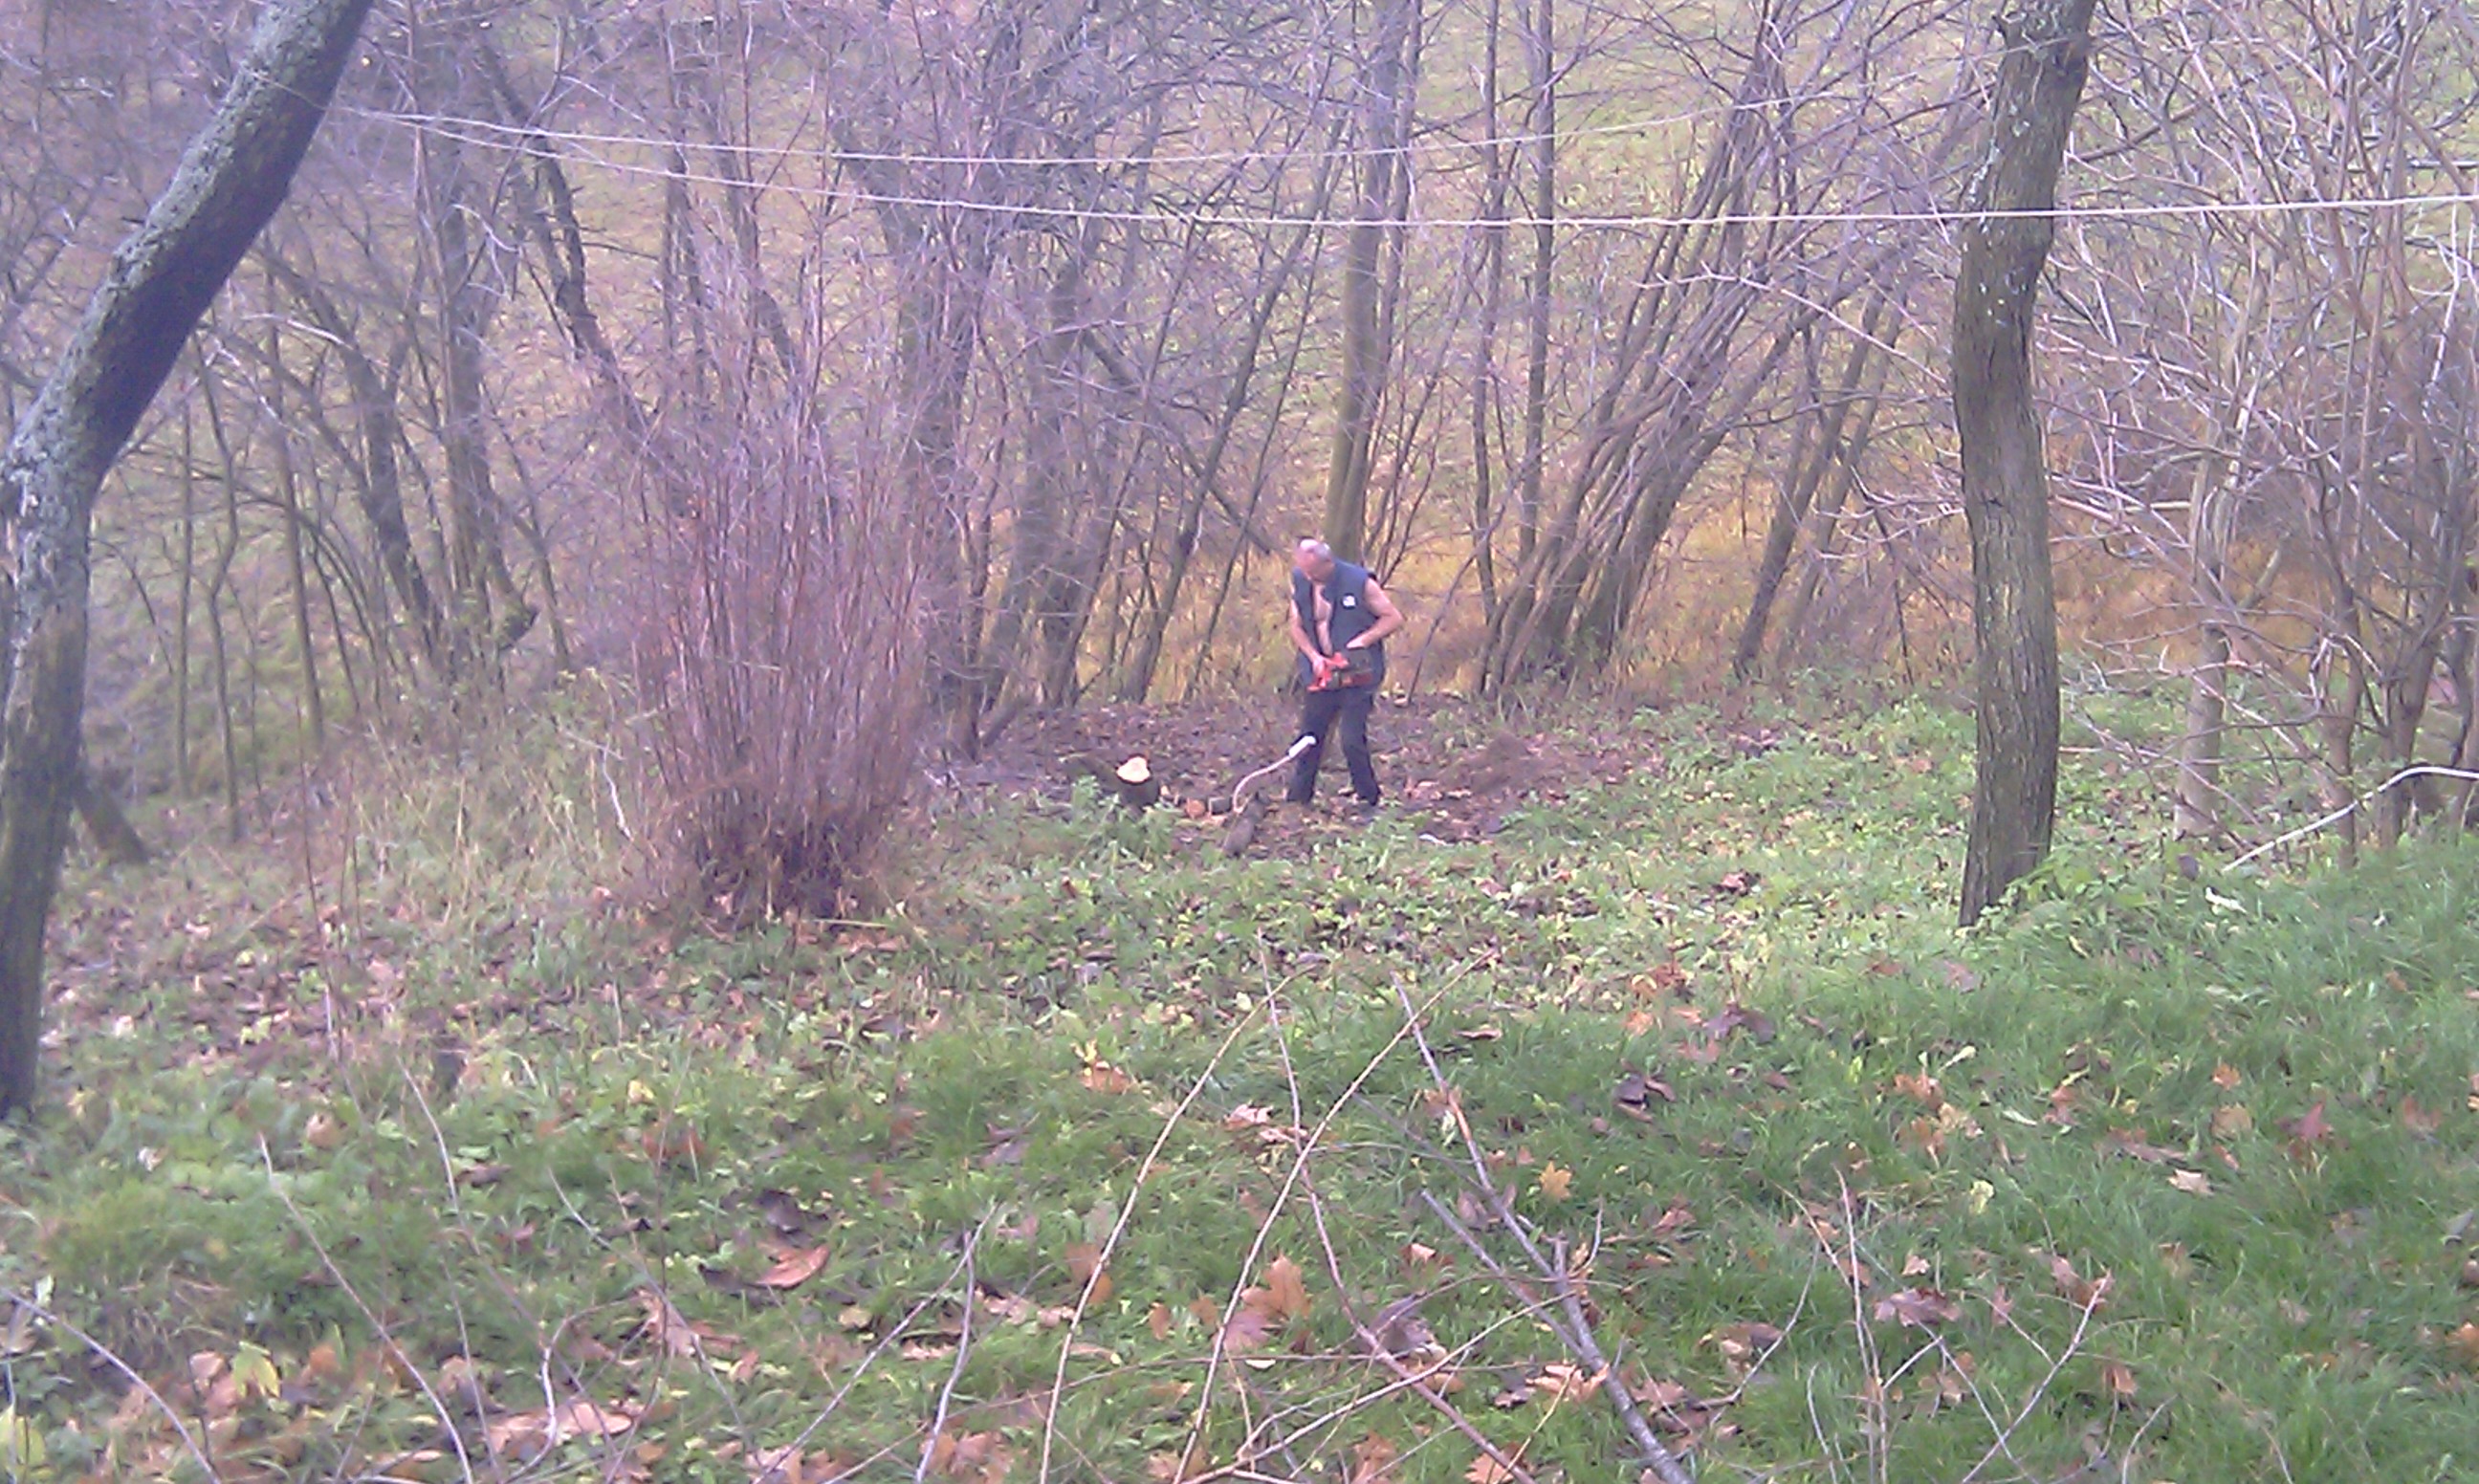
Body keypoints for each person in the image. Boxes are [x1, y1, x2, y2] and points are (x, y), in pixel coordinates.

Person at [1285, 537, 1404, 815]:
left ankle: (1368, 798)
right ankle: (1298, 798)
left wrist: (1362, 641)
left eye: (1313, 572)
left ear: (1327, 562)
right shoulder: (1301, 582)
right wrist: (1314, 657)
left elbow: (1393, 618)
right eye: (1304, 571)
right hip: (1321, 672)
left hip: (1357, 673)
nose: (1309, 577)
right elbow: (1296, 626)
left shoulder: (1359, 581)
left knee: (1351, 738)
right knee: (1310, 736)